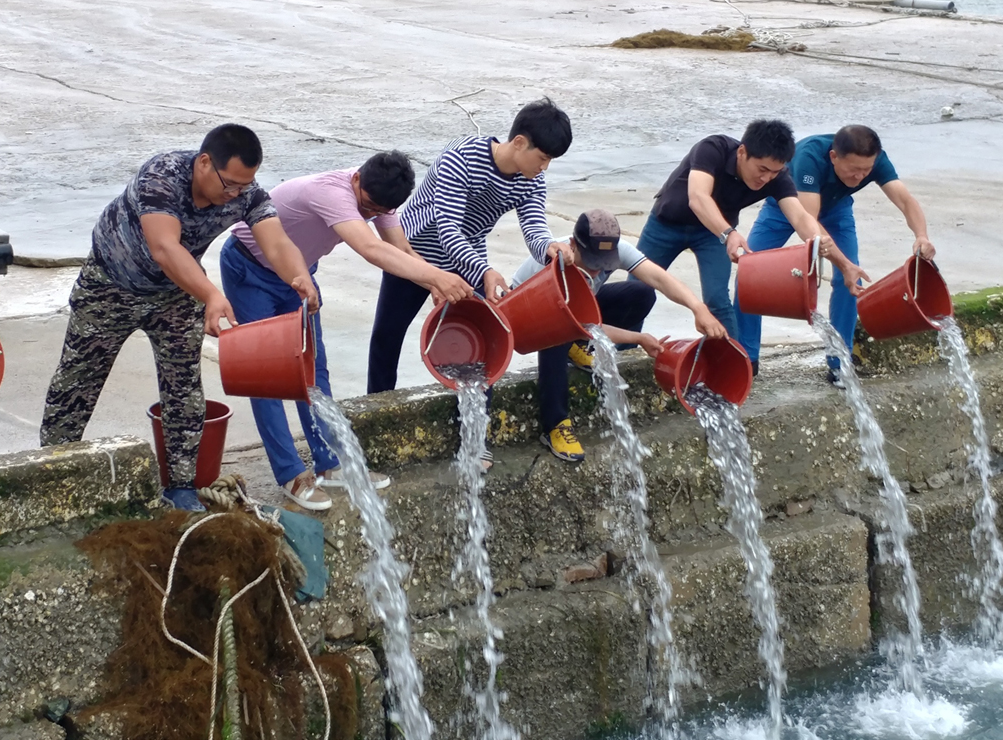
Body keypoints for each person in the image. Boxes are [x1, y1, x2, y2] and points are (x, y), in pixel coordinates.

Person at [39, 124, 319, 512]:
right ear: (204, 162)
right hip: (110, 288)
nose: (235, 194)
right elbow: (164, 248)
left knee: (184, 388)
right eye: (230, 184)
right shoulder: (162, 176)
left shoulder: (246, 194)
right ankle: (50, 474)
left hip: (175, 295)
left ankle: (182, 486)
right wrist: (211, 295)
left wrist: (299, 276)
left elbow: (276, 241)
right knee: (76, 384)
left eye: (243, 185)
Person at [222, 152, 473, 510]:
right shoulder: (331, 191)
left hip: (299, 275)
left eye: (378, 212)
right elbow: (370, 248)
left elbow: (398, 246)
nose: (370, 215)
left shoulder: (381, 197)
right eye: (367, 207)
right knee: (266, 375)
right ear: (357, 180)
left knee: (312, 367)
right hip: (251, 269)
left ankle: (330, 463)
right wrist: (437, 276)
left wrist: (431, 280)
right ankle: (291, 474)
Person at [367, 98, 574, 395]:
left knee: (483, 342)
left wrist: (549, 248)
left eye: (551, 160)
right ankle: (377, 405)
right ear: (518, 142)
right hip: (415, 253)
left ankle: (474, 430)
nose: (545, 167)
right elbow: (448, 230)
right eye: (542, 157)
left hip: (467, 259)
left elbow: (534, 225)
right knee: (388, 336)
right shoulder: (461, 157)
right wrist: (485, 270)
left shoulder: (532, 180)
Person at [511, 209, 727, 462]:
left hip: (576, 311)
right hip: (528, 318)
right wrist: (637, 338)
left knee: (641, 293)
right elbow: (579, 324)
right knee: (557, 336)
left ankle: (575, 346)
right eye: (591, 263)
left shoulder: (618, 250)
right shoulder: (553, 262)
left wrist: (698, 308)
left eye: (603, 265)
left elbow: (659, 277)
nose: (596, 272)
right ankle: (555, 424)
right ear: (573, 245)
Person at [634, 119, 867, 349]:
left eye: (774, 172)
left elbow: (800, 217)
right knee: (637, 291)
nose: (766, 179)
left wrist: (843, 263)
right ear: (742, 153)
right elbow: (698, 198)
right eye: (762, 169)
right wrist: (728, 233)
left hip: (711, 236)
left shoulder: (777, 178)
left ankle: (734, 364)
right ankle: (622, 354)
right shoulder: (712, 149)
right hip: (666, 225)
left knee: (717, 299)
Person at [736, 124, 934, 382]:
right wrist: (843, 263)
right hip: (788, 209)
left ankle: (840, 361)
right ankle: (746, 357)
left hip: (837, 209)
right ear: (833, 157)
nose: (860, 177)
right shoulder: (808, 157)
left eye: (866, 171)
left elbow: (906, 200)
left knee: (851, 280)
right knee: (750, 275)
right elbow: (809, 224)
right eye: (853, 170)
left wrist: (921, 236)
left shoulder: (875, 160)